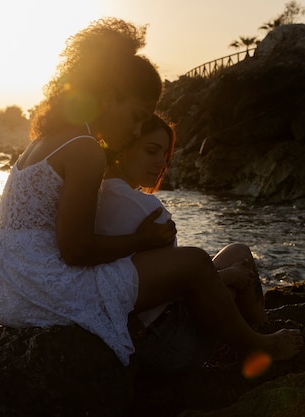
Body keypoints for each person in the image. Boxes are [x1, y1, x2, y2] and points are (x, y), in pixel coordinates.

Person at [0, 17, 301, 369]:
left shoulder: (46, 140)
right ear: (108, 96)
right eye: (136, 116)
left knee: (186, 269)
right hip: (44, 286)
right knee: (193, 262)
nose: (135, 129)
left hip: (3, 287)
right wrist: (142, 239)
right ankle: (258, 345)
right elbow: (76, 250)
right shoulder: (84, 148)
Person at [96, 114, 267, 372]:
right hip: (168, 342)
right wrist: (227, 276)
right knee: (239, 254)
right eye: (151, 151)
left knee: (229, 260)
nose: (161, 163)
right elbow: (179, 290)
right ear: (121, 148)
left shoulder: (92, 197)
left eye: (165, 154)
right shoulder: (147, 209)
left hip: (120, 335)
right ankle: (262, 336)